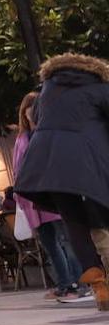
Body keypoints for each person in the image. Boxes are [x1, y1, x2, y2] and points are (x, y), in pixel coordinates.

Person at [15, 53, 109, 311]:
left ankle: (99, 284)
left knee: (74, 221)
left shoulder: (47, 90)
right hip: (88, 163)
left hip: (48, 164)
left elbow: (36, 118)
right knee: (101, 215)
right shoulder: (100, 87)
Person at [12, 91, 87, 301]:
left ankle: (80, 284)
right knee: (50, 244)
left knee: (67, 240)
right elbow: (19, 169)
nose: (32, 115)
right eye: (29, 111)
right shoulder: (22, 138)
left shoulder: (51, 134)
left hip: (54, 197)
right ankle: (64, 283)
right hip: (34, 200)